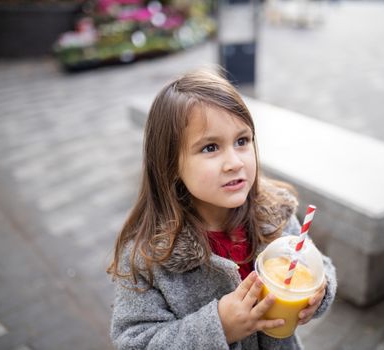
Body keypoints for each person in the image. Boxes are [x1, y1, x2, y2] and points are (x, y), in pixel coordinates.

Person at [107, 68, 337, 349]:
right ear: (170, 164)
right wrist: (218, 328)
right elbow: (133, 342)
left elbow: (316, 264)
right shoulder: (148, 256)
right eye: (210, 147)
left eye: (242, 141)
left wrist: (318, 291)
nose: (234, 162)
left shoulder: (274, 215)